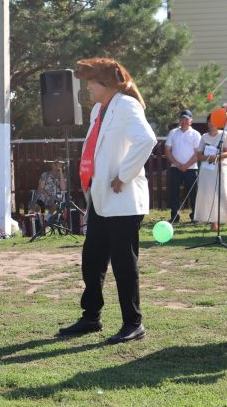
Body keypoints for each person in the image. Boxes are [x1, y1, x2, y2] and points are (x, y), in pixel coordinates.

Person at [58, 58, 156, 344]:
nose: (87, 87)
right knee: (92, 260)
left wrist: (123, 175)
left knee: (124, 264)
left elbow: (147, 140)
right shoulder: (100, 110)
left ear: (107, 84)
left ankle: (133, 323)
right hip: (101, 199)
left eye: (91, 82)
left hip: (123, 199)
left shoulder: (126, 105)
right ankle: (91, 317)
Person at [193, 113, 227, 230]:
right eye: (209, 122)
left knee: (223, 194)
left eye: (213, 122)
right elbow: (198, 155)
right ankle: (213, 222)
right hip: (206, 170)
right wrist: (207, 158)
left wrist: (216, 156)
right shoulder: (204, 137)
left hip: (220, 168)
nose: (211, 124)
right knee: (208, 194)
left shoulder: (225, 135)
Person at [165, 109, 201, 223]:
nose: (184, 121)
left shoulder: (196, 134)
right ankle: (174, 216)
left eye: (186, 119)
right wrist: (178, 164)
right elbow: (167, 151)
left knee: (193, 193)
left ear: (191, 121)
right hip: (176, 168)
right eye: (182, 119)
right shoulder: (173, 133)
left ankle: (195, 216)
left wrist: (186, 165)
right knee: (174, 193)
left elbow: (198, 154)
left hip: (191, 168)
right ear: (179, 120)